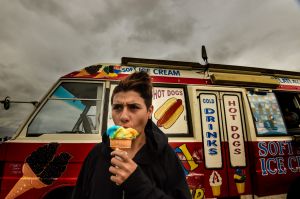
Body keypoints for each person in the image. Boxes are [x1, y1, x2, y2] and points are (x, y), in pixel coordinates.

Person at [72, 71, 192, 199]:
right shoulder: (96, 155)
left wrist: (139, 185)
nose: (123, 117)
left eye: (133, 107)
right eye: (117, 107)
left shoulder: (166, 156)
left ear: (149, 112)